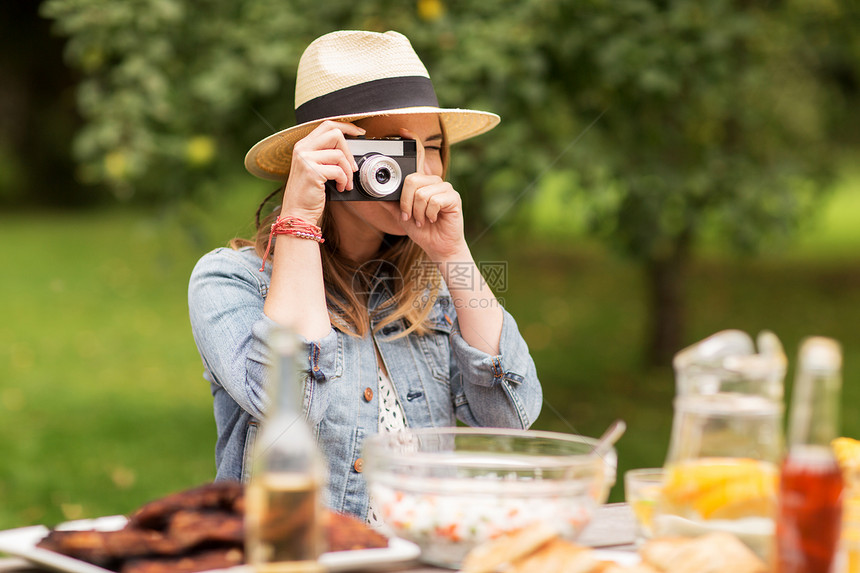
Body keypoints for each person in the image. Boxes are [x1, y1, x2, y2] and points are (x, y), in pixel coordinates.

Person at [188, 30, 542, 521]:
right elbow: (291, 402)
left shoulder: (432, 284)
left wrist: (453, 252)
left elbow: (510, 416)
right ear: (331, 154)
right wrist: (299, 216)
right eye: (394, 148)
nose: (421, 168)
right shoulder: (231, 281)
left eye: (432, 147)